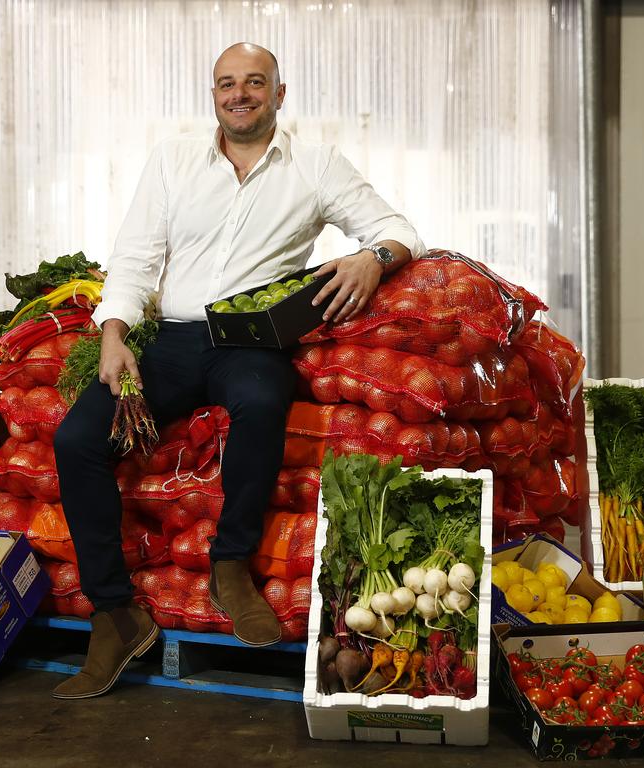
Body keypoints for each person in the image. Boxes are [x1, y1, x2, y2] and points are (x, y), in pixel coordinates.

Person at [51, 42, 425, 699]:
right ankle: (116, 614)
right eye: (227, 83)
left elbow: (396, 227)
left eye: (255, 83)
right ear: (213, 93)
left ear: (279, 94)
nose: (239, 94)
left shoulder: (315, 165)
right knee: (76, 439)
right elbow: (135, 256)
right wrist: (114, 335)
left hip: (252, 340)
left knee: (259, 399)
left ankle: (231, 567)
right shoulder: (172, 161)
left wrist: (376, 256)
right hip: (170, 340)